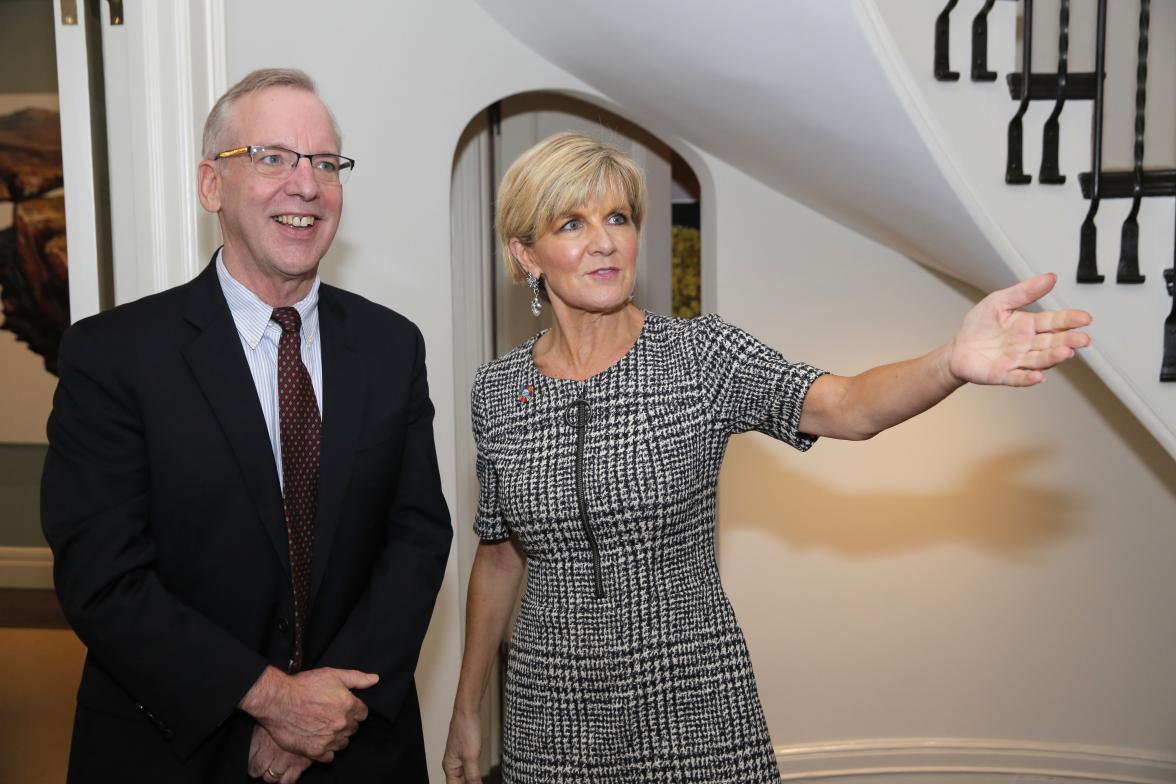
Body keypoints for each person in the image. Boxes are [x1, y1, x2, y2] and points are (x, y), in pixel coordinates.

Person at [441, 132, 1092, 783]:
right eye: (572, 224)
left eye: (618, 217)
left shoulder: (700, 357)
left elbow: (847, 405)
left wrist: (949, 363)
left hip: (690, 702)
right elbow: (500, 558)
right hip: (551, 714)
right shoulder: (499, 392)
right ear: (525, 253)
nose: (605, 240)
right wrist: (468, 709)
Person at [41, 68, 452, 783]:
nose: (306, 185)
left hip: (355, 744)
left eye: (325, 163)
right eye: (272, 158)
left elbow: (418, 536)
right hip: (175, 745)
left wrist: (321, 713)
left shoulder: (392, 345)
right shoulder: (113, 355)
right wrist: (269, 702)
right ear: (211, 186)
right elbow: (102, 578)